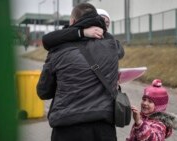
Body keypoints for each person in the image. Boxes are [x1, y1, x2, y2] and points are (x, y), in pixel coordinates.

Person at [37, 3, 123, 141]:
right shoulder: (113, 45)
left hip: (67, 128)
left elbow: (43, 92)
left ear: (72, 22)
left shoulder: (57, 51)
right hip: (103, 129)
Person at [42, 8, 124, 59]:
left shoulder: (108, 39)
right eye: (101, 20)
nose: (104, 25)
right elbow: (47, 40)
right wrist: (82, 32)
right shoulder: (70, 34)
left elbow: (119, 53)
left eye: (107, 23)